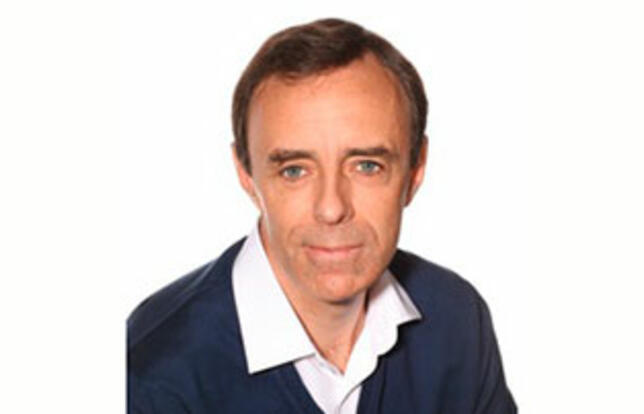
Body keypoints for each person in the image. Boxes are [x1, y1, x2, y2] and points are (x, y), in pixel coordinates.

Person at [127, 18, 517, 414]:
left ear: (416, 170)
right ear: (246, 174)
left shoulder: (457, 320)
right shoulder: (150, 372)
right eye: (294, 170)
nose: (331, 208)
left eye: (366, 166)